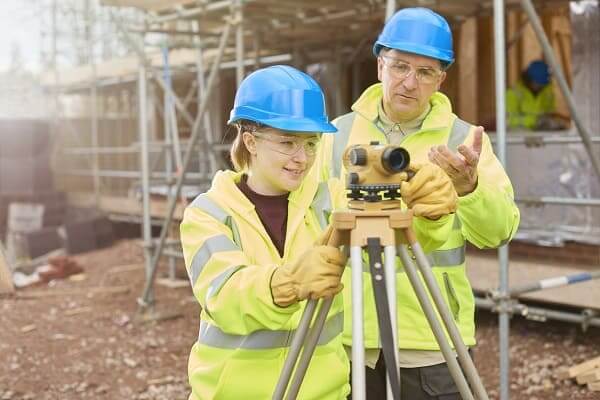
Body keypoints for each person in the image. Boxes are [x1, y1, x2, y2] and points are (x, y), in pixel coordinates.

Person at [316, 7, 521, 399]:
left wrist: (469, 187)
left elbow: (500, 230)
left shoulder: (462, 140)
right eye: (400, 66)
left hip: (431, 340)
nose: (410, 82)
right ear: (380, 66)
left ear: (441, 80)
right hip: (345, 334)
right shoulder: (336, 135)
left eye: (425, 72)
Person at [180, 65, 350, 399]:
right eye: (288, 143)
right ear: (251, 141)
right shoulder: (209, 213)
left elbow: (399, 233)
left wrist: (434, 199)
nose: (302, 158)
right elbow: (225, 295)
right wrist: (287, 284)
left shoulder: (331, 199)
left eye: (311, 144)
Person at [506, 60, 566, 130]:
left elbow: (550, 113)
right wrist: (534, 120)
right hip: (519, 136)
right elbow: (509, 120)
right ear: (529, 79)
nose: (540, 86)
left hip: (541, 133)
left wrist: (552, 122)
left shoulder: (547, 92)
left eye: (542, 84)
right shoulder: (512, 94)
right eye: (538, 82)